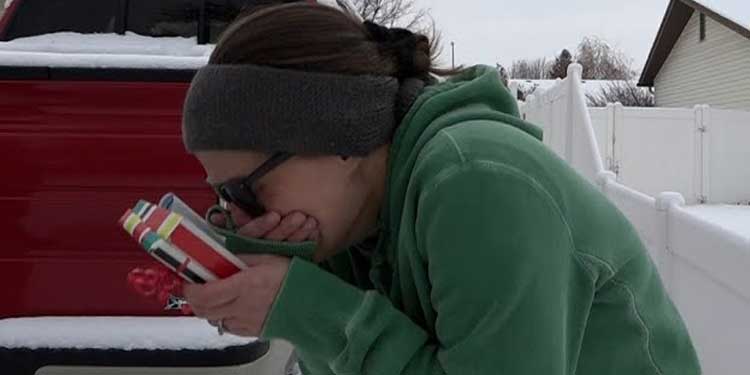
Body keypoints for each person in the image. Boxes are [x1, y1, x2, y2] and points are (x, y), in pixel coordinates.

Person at [180, 2, 701, 374]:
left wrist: (312, 310)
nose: (241, 215)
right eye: (223, 199)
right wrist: (303, 276)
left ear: (335, 137)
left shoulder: (478, 183)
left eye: (245, 191)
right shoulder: (363, 220)